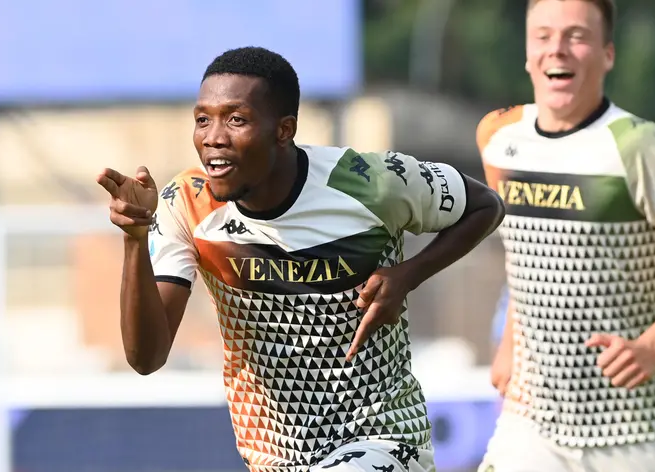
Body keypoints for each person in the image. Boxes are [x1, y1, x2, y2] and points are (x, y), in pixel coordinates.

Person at [96, 46, 506, 472]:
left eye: (236, 119)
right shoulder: (185, 203)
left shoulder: (371, 182)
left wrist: (408, 274)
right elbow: (147, 358)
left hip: (383, 440)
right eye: (203, 119)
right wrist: (134, 238)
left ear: (283, 130)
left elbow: (485, 205)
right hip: (273, 456)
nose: (213, 136)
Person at [474, 1, 655, 471]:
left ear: (607, 54)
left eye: (576, 36)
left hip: (638, 432)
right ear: (526, 52)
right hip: (531, 424)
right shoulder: (497, 136)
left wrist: (653, 347)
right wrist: (509, 347)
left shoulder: (640, 145)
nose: (556, 49)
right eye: (542, 36)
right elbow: (525, 253)